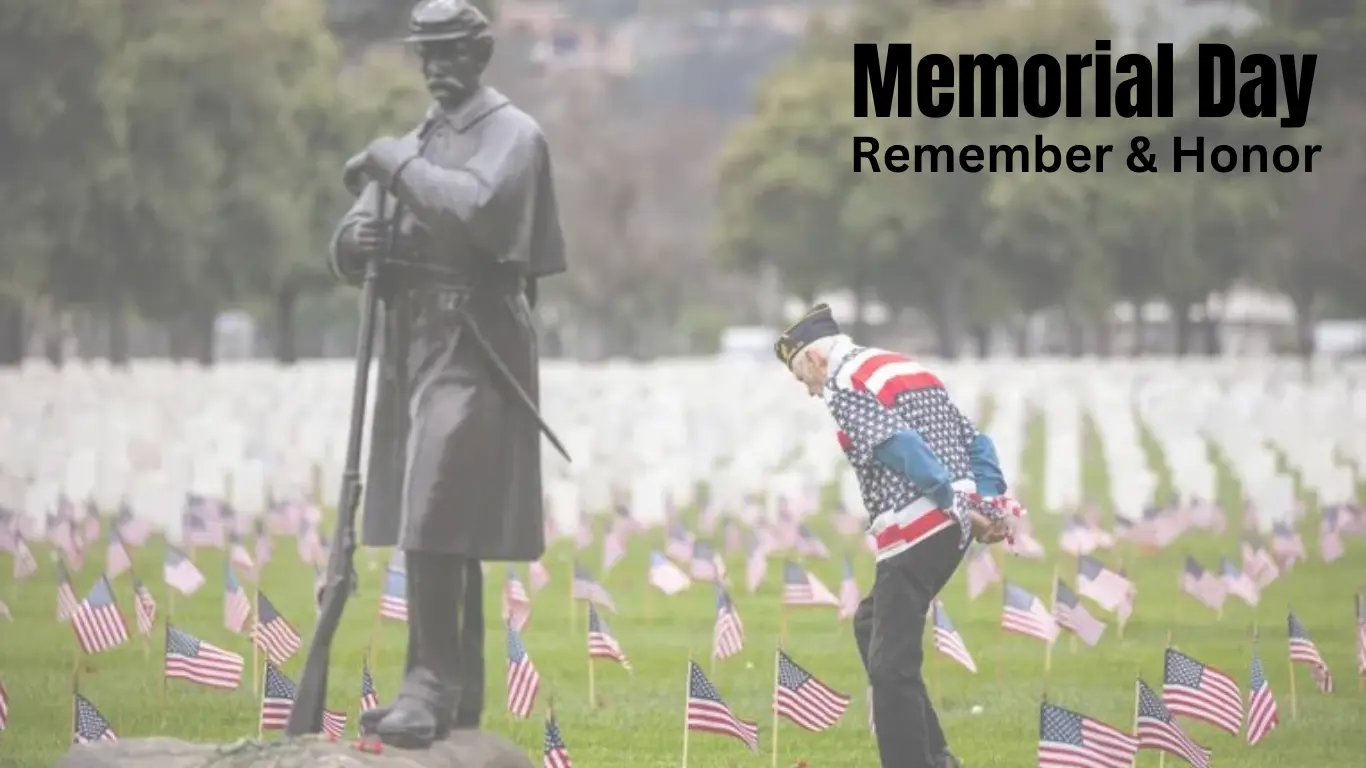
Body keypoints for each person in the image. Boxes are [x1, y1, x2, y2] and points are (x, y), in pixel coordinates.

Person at [330, 0, 566, 750]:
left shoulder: (513, 136)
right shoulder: (418, 138)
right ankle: (453, 682)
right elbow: (353, 231)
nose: (434, 68)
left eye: (449, 53)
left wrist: (392, 164)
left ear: (480, 53)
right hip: (416, 345)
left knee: (436, 510)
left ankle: (427, 685)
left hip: (478, 342)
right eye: (423, 54)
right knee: (434, 515)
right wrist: (354, 241)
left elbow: (473, 212)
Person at [773, 304, 1020, 768]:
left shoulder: (844, 385)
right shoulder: (904, 367)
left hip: (918, 527)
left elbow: (897, 445)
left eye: (800, 377)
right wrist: (988, 504)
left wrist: (953, 501)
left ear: (816, 360)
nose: (808, 391)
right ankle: (936, 754)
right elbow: (977, 441)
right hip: (951, 527)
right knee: (871, 625)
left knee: (890, 669)